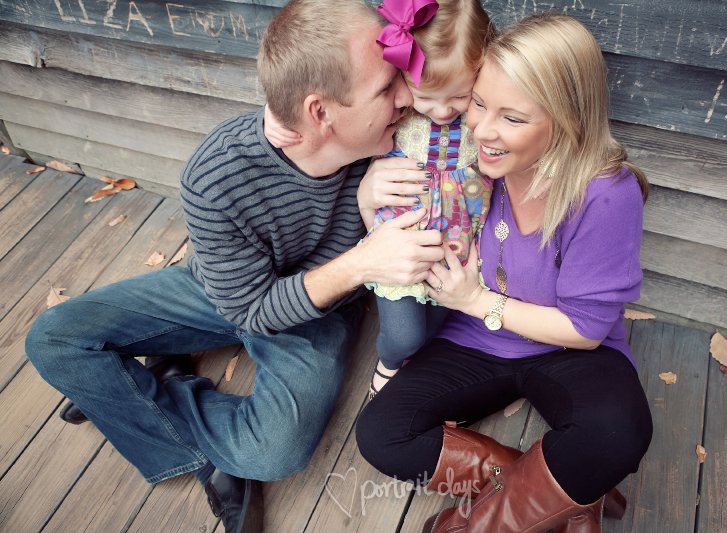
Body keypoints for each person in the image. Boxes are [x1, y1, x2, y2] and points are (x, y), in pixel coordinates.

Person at [24, 1, 444, 532]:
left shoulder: (401, 140)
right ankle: (181, 424)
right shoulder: (216, 175)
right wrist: (361, 260)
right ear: (319, 113)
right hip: (228, 293)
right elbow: (251, 310)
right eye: (386, 88)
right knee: (54, 339)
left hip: (319, 314)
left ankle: (146, 392)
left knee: (272, 452)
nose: (407, 97)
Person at [356, 13, 653, 533]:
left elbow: (585, 330)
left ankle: (471, 526)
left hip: (566, 348)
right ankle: (569, 493)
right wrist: (367, 198)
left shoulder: (605, 192)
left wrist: (476, 301)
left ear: (567, 119)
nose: (481, 129)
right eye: (478, 102)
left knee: (617, 432)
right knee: (381, 432)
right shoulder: (463, 160)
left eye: (512, 118)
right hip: (472, 339)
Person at [265, 0, 495, 399]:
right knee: (405, 334)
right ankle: (390, 361)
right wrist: (274, 113)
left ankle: (417, 358)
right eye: (426, 96)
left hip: (459, 241)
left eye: (460, 96)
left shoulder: (483, 114)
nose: (442, 111)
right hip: (397, 240)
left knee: (441, 315)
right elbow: (327, 93)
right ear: (402, 78)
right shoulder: (400, 111)